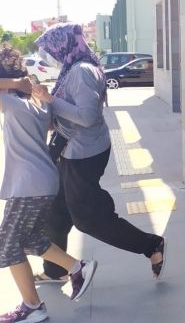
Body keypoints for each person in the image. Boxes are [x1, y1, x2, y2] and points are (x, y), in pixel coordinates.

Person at [30, 23, 166, 282]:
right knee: (56, 211)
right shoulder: (72, 68)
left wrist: (51, 101)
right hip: (70, 149)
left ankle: (151, 245)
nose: (48, 55)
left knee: (88, 218)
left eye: (50, 49)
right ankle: (55, 270)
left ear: (63, 45)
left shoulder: (81, 71)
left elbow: (88, 116)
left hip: (83, 154)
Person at [0, 44, 97, 323]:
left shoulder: (10, 102)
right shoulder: (38, 102)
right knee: (30, 239)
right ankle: (77, 268)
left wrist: (16, 83)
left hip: (29, 185)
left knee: (7, 245)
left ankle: (32, 307)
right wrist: (21, 83)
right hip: (43, 181)